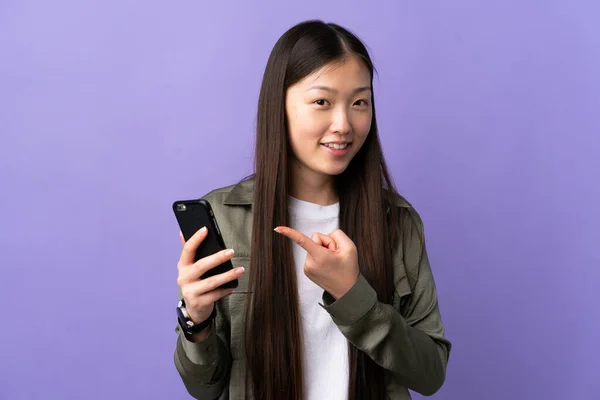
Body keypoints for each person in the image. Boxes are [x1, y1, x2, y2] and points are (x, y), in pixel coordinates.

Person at [173, 19, 451, 400]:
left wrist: (354, 295)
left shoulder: (396, 222)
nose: (343, 124)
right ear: (280, 107)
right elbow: (204, 388)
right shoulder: (226, 216)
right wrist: (196, 321)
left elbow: (431, 374)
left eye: (359, 103)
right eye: (322, 102)